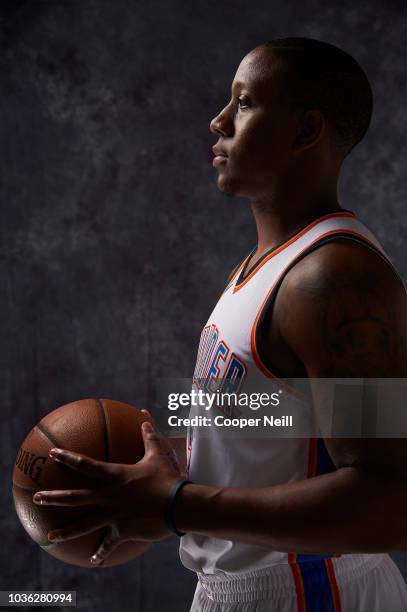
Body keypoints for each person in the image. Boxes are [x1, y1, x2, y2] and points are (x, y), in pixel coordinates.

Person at [33, 37, 407, 611]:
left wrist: (178, 504)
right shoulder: (265, 267)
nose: (219, 121)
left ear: (306, 131)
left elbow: (390, 501)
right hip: (241, 588)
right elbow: (286, 427)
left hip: (312, 592)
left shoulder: (333, 279)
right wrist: (176, 468)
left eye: (245, 102)